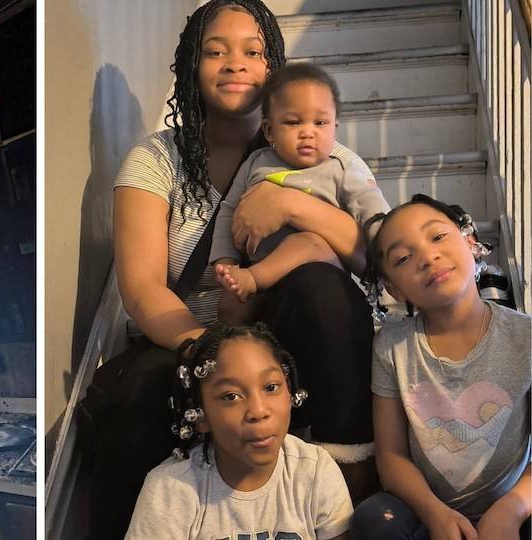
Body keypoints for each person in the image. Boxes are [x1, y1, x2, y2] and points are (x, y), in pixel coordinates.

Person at [109, 2, 378, 534]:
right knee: (136, 390)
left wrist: (295, 206)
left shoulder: (317, 146)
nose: (235, 64)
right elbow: (141, 287)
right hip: (189, 337)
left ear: (273, 69)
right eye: (215, 52)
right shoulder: (156, 160)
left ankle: (350, 477)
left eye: (253, 52)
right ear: (191, 66)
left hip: (288, 328)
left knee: (321, 285)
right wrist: (206, 352)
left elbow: (373, 255)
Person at [351, 194, 531, 539]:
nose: (427, 257)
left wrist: (511, 511)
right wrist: (434, 513)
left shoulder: (526, 336)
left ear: (470, 242)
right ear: (393, 288)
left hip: (515, 507)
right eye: (404, 258)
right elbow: (391, 457)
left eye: (438, 237)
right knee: (375, 517)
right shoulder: (392, 348)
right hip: (427, 512)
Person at [126, 324, 353, 540]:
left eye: (271, 387)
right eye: (231, 396)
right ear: (201, 415)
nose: (258, 411)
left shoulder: (314, 471)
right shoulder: (170, 491)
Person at [209, 63, 390, 311]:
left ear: (335, 128)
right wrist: (226, 261)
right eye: (293, 122)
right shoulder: (256, 163)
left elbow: (371, 209)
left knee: (307, 243)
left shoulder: (342, 170)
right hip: (261, 275)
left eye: (320, 122)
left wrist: (392, 241)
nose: (307, 132)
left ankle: (255, 280)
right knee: (229, 309)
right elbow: (229, 210)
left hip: (320, 275)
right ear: (269, 131)